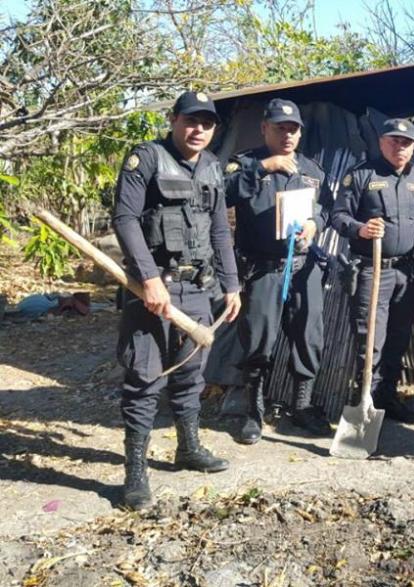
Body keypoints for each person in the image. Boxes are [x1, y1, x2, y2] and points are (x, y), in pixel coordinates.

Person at [112, 90, 241, 510]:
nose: (198, 129)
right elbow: (125, 219)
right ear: (173, 120)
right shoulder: (147, 158)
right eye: (190, 120)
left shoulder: (213, 166)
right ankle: (135, 472)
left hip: (197, 289)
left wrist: (232, 284)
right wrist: (149, 279)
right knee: (144, 378)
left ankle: (188, 448)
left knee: (190, 375)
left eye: (207, 123)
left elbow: (219, 229)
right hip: (151, 292)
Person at [224, 98, 334, 444]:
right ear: (264, 129)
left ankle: (302, 406)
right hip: (262, 269)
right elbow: (221, 196)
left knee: (309, 337)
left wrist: (315, 224)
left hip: (303, 267)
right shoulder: (244, 164)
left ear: (300, 133)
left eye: (293, 129)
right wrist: (263, 167)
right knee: (258, 340)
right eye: (280, 128)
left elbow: (328, 209)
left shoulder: (312, 170)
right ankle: (253, 411)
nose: (287, 135)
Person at [331, 118, 414, 423]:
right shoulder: (361, 174)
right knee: (370, 340)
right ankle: (365, 402)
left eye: (406, 143)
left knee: (398, 338)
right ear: (381, 142)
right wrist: (360, 228)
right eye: (394, 141)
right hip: (372, 271)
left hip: (404, 274)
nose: (400, 147)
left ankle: (387, 398)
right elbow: (338, 216)